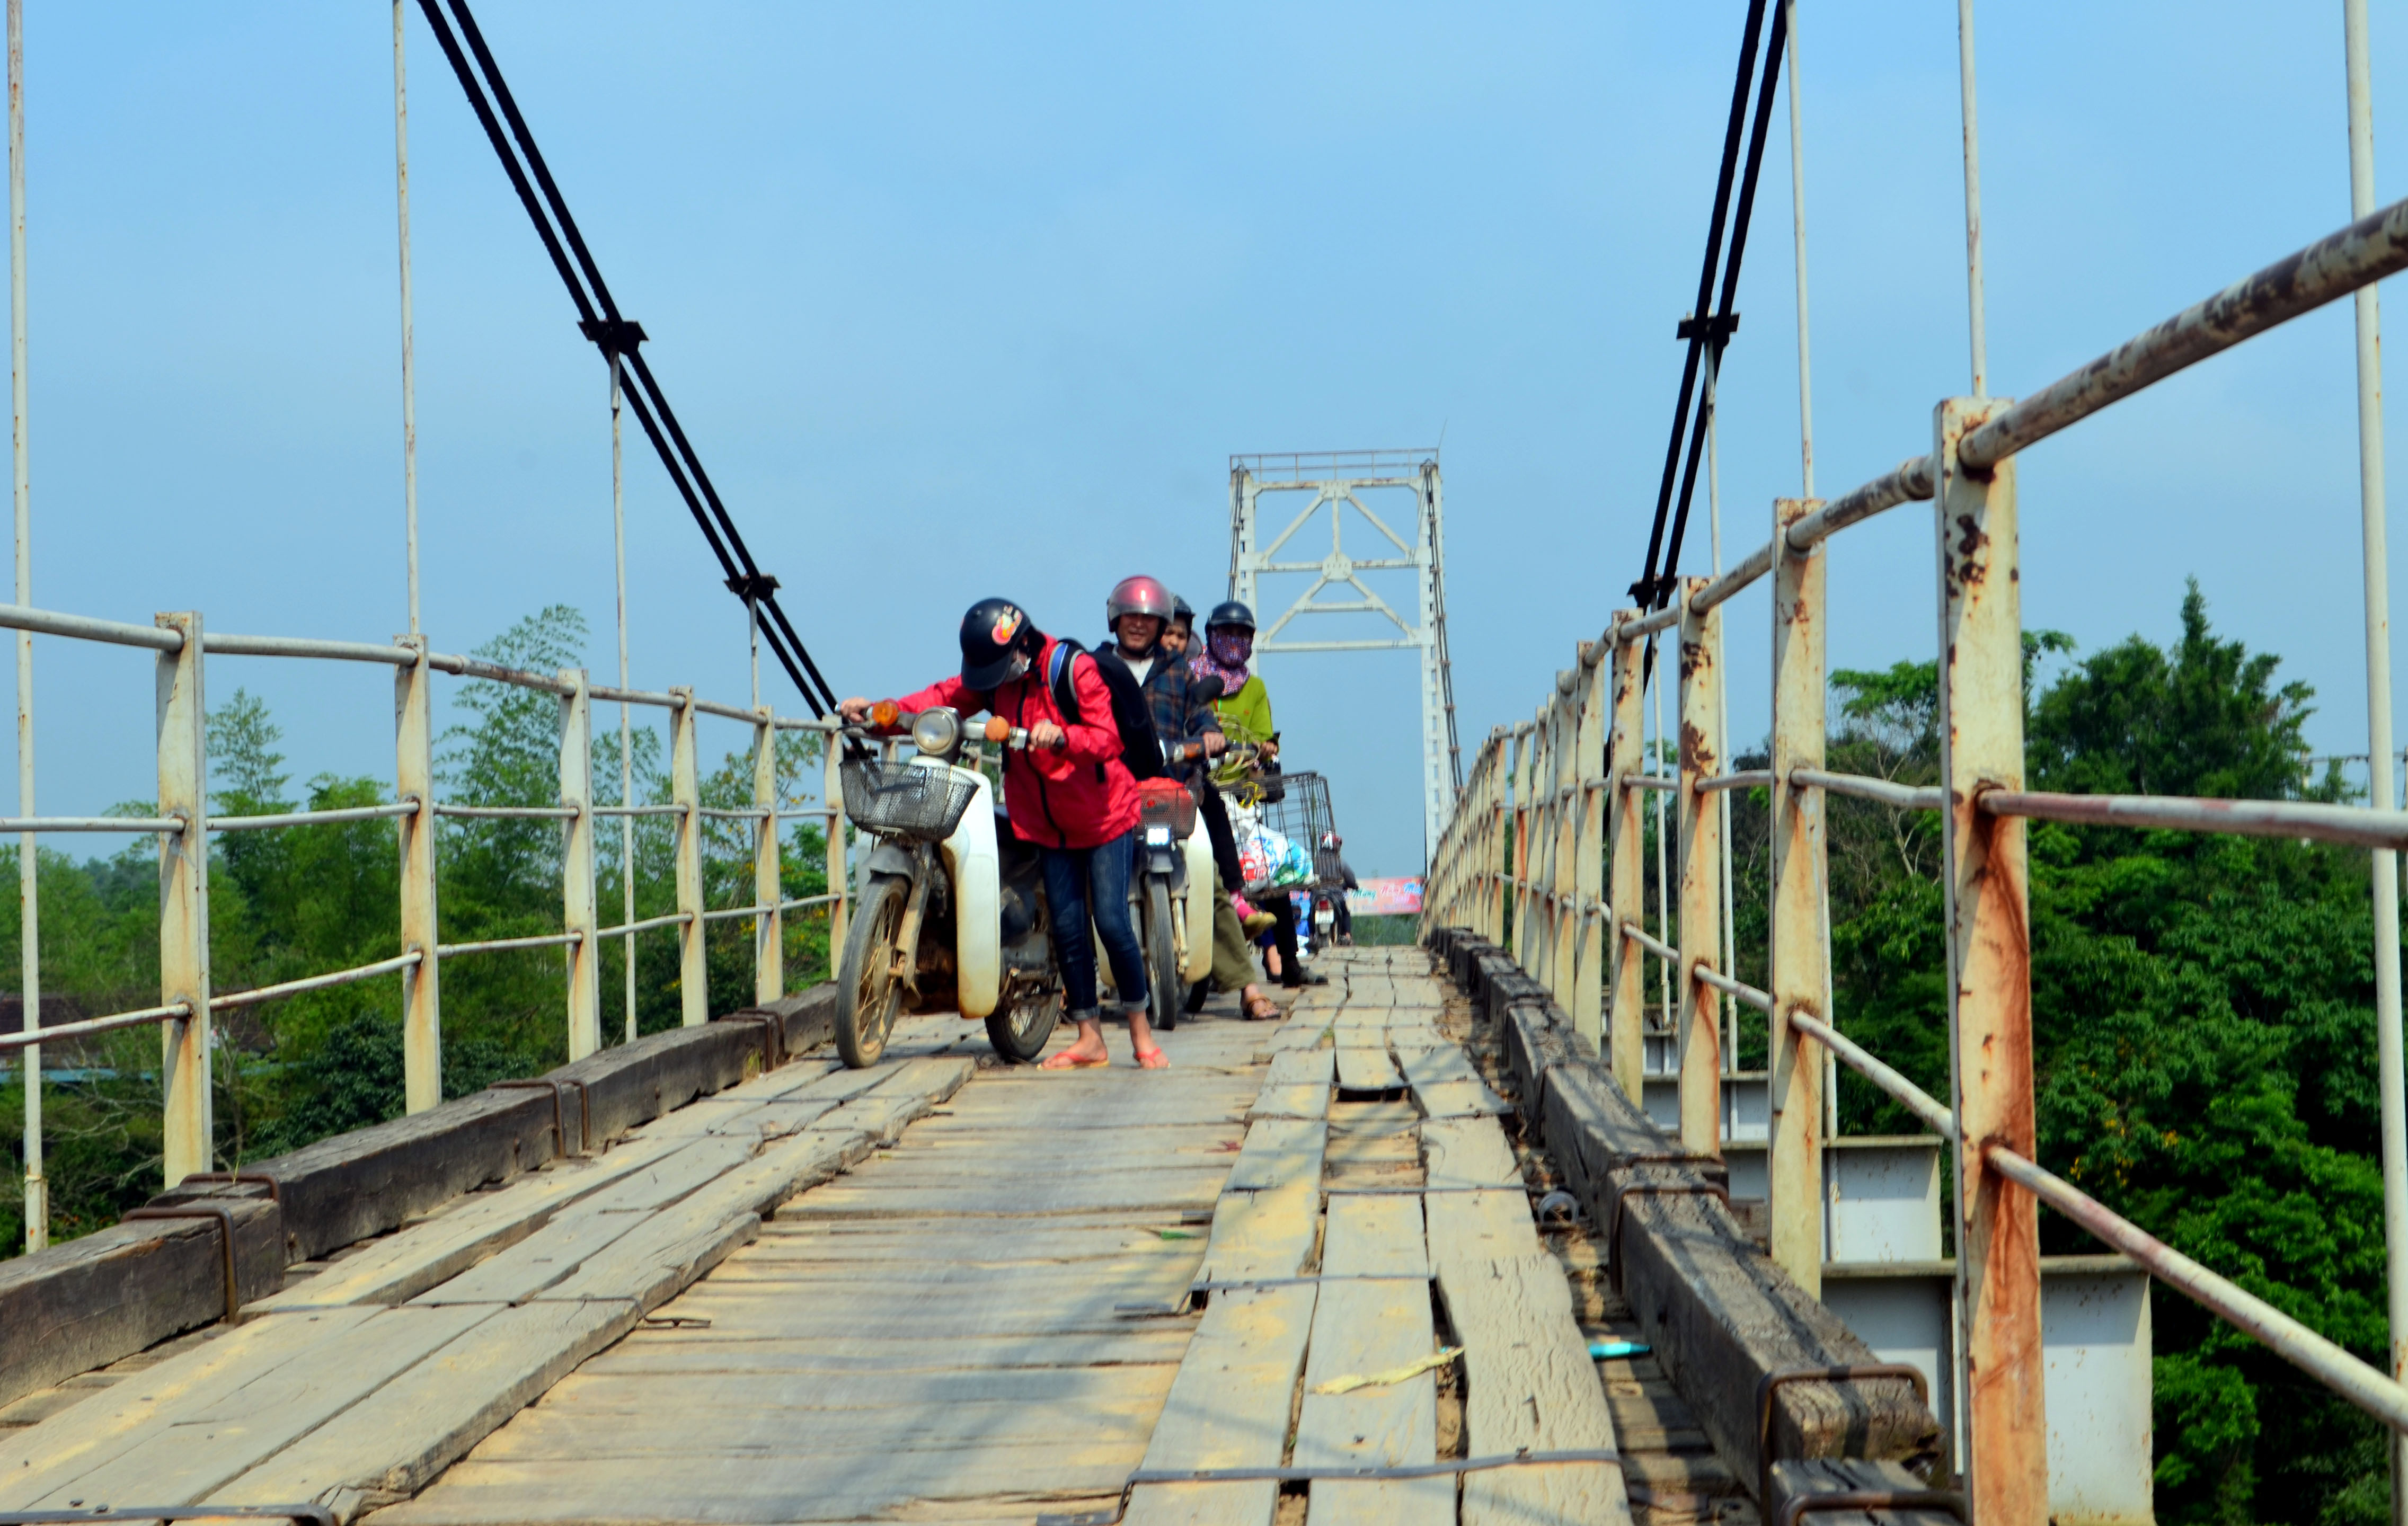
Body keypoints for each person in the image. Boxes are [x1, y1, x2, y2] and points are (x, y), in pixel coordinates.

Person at [838, 597, 1165, 1070]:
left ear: (1021, 648)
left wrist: (1063, 736)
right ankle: (1089, 1038)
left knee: (1111, 922)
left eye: (996, 666)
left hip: (1102, 817)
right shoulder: (997, 684)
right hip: (1045, 824)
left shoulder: (1072, 670)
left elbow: (1109, 738)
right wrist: (881, 712)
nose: (990, 679)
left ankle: (1142, 1035)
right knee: (1069, 929)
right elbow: (945, 696)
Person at [1103, 579, 1282, 1022]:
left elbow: (1200, 716)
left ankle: (1248, 988)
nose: (1139, 626)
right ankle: (1070, 989)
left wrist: (1210, 736)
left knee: (1209, 880)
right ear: (1115, 621)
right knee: (1084, 880)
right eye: (1131, 617)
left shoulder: (1179, 672)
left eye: (1149, 618)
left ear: (1162, 623)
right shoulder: (1099, 667)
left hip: (1172, 793)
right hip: (1111, 795)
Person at [1192, 600, 1322, 989]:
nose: (1233, 642)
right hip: (1201, 788)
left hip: (1242, 795)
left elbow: (1266, 738)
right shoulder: (1193, 680)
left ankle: (1288, 963)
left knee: (1270, 876)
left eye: (1242, 636)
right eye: (1225, 635)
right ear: (1211, 638)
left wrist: (1264, 752)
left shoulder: (1256, 687)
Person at [1316, 831, 1359, 945]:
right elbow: (1351, 879)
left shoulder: (1314, 861)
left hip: (1317, 896)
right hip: (1336, 896)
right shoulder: (1340, 862)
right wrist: (1354, 885)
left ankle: (1312, 936)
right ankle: (1347, 935)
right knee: (1346, 913)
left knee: (1312, 912)